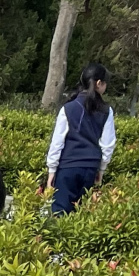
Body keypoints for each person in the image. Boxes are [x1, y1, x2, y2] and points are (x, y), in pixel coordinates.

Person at [46, 63, 115, 216]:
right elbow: (108, 145)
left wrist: (51, 171)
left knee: (60, 213)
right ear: (99, 83)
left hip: (67, 168)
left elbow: (57, 143)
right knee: (82, 214)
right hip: (90, 168)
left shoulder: (68, 108)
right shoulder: (106, 110)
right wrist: (101, 169)